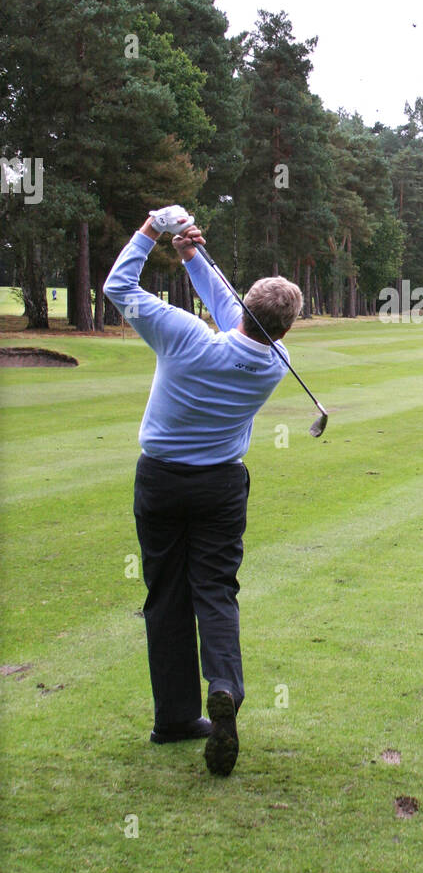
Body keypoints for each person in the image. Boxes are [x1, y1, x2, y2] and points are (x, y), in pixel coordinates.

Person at [103, 207, 303, 776]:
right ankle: (224, 687)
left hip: (162, 481)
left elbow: (118, 286)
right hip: (220, 486)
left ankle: (174, 719)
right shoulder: (277, 361)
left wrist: (151, 231)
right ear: (285, 327)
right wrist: (191, 255)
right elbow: (237, 314)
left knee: (165, 594)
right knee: (215, 591)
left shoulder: (186, 337)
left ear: (248, 310)